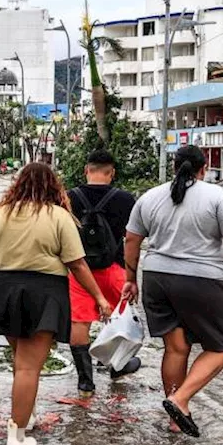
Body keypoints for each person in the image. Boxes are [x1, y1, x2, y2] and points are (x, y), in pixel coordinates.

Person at [0, 162, 113, 445]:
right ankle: (16, 435)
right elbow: (77, 263)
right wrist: (99, 298)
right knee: (28, 368)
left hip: (1, 290)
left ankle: (25, 415)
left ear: (17, 183)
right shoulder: (58, 215)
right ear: (54, 186)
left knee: (21, 360)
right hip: (42, 292)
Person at [121, 145, 223, 438]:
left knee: (176, 348)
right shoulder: (216, 196)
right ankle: (180, 399)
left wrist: (130, 279)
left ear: (174, 167)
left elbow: (132, 239)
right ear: (203, 169)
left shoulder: (149, 197)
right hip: (204, 280)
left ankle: (177, 418)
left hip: (157, 279)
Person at [66, 150, 139, 397]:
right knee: (121, 320)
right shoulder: (126, 199)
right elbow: (132, 239)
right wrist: (132, 276)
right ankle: (117, 367)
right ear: (112, 173)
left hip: (80, 271)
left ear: (87, 169)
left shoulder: (69, 197)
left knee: (80, 322)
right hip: (116, 269)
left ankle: (85, 382)